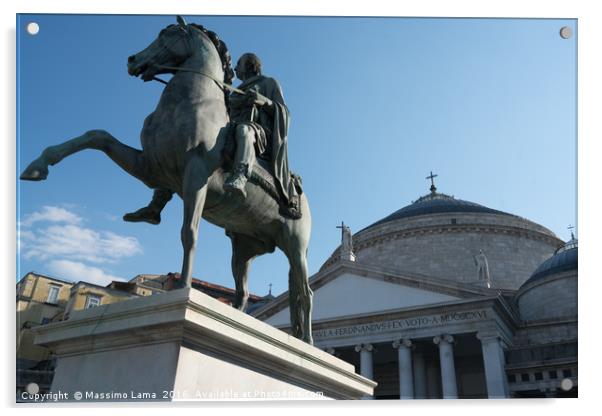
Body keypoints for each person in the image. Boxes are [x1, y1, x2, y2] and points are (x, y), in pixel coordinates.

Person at [123, 53, 300, 224]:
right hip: (230, 127)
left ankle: (240, 174)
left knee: (244, 131)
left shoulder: (268, 83)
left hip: (257, 131)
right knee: (186, 150)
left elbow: (285, 112)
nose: (236, 68)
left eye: (239, 63)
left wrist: (264, 101)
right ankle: (156, 206)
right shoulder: (235, 90)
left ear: (251, 65)